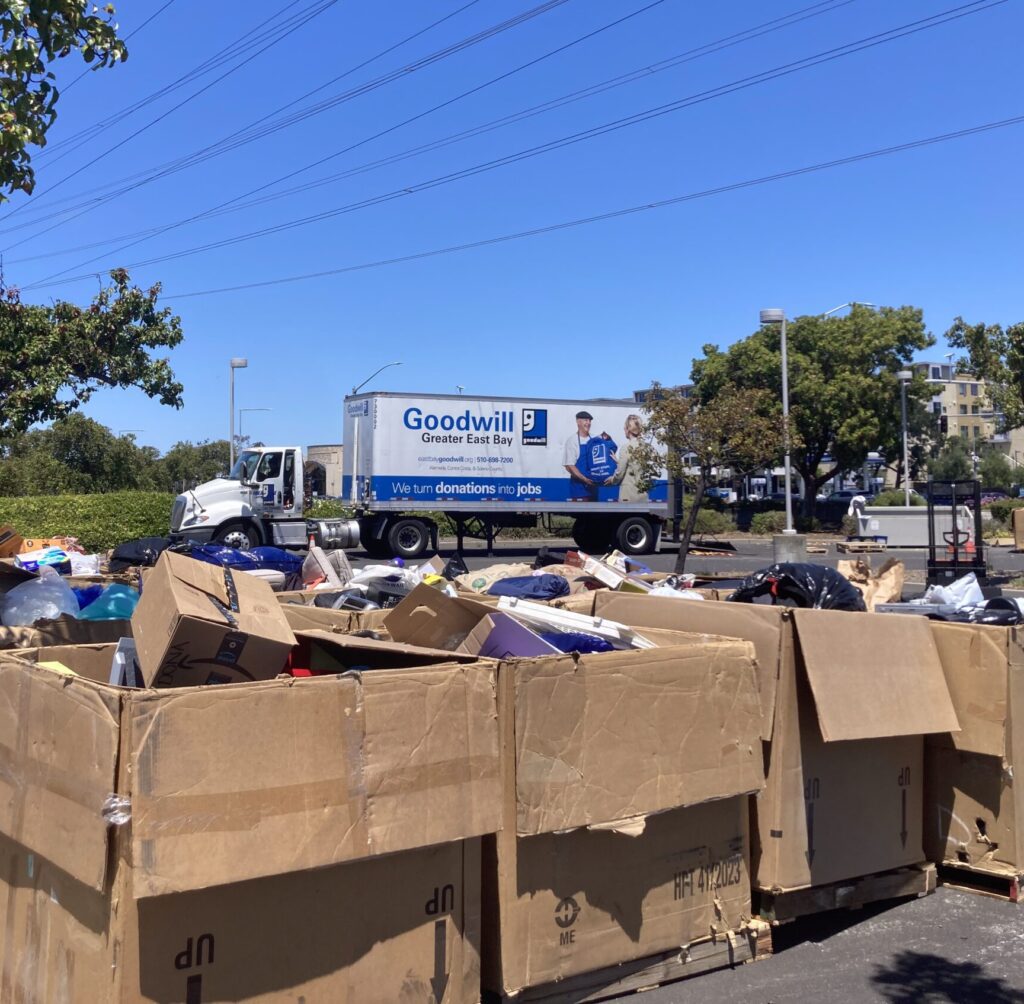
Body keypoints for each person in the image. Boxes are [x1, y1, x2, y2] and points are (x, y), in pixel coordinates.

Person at [605, 414, 645, 501]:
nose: (624, 430)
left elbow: (619, 474)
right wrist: (618, 461)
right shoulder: (645, 447)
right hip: (642, 495)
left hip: (629, 495)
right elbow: (634, 466)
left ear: (628, 429)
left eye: (625, 428)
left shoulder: (626, 447)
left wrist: (612, 480)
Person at [563, 411, 597, 500]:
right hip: (579, 491)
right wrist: (585, 479)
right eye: (586, 420)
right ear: (578, 422)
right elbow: (569, 465)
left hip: (593, 489)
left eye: (589, 421)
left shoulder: (595, 439)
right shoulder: (572, 441)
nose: (588, 423)